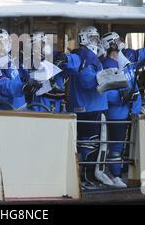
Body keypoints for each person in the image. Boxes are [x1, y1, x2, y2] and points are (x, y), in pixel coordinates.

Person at [100, 22, 145, 188]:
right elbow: (104, 92)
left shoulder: (127, 57)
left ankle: (128, 174)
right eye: (118, 40)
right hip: (117, 114)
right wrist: (122, 96)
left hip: (133, 112)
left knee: (130, 146)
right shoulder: (106, 66)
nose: (122, 41)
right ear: (111, 45)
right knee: (117, 145)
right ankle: (115, 176)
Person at [55, 26, 109, 186]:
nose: (96, 41)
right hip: (89, 107)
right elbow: (87, 81)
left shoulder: (83, 56)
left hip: (84, 107)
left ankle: (85, 178)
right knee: (89, 145)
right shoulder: (85, 55)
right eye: (93, 38)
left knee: (86, 144)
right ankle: (87, 179)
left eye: (97, 38)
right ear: (84, 38)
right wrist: (104, 78)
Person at [0, 29, 42, 111]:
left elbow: (19, 74)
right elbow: (2, 85)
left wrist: (32, 80)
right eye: (1, 41)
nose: (5, 43)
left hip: (18, 104)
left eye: (6, 40)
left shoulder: (8, 57)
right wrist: (23, 86)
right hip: (4, 108)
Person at [27, 32, 65, 113]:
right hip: (38, 104)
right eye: (42, 43)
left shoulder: (56, 57)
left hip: (57, 103)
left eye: (45, 43)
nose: (45, 46)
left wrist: (66, 58)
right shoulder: (27, 63)